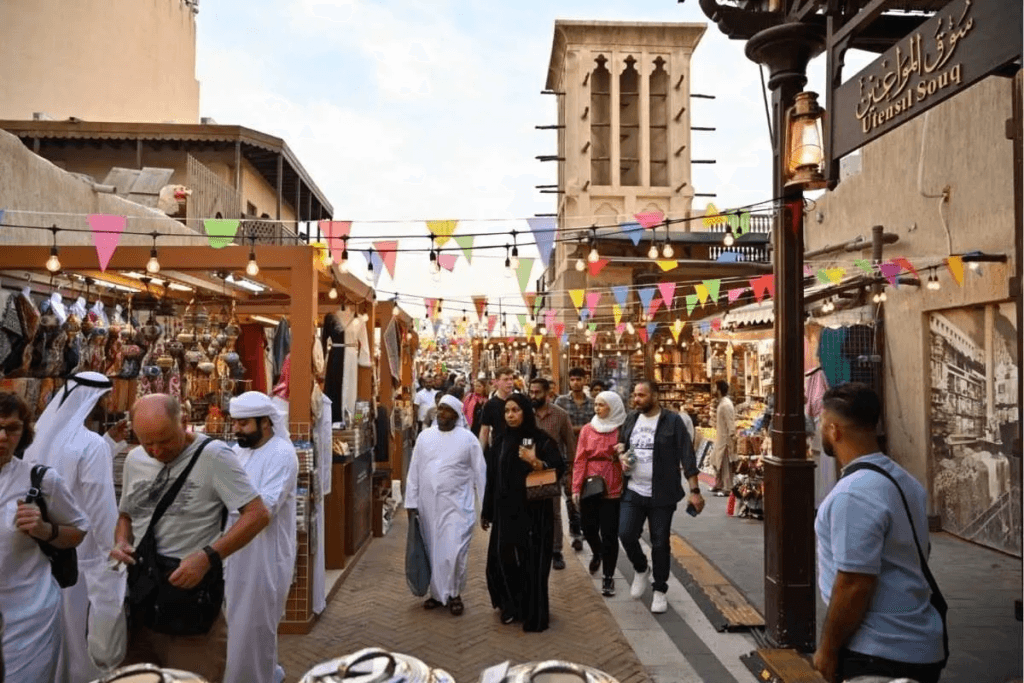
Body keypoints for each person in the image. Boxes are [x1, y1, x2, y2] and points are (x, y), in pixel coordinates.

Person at [111, 394, 271, 682]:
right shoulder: (135, 460)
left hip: (191, 605)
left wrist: (208, 556)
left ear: (184, 423)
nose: (157, 451)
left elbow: (257, 514)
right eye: (147, 442)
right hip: (143, 601)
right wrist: (122, 541)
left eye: (165, 440)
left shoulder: (214, 456)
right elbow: (127, 516)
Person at [812, 383, 945, 683]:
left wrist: (828, 649)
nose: (821, 430)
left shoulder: (853, 494)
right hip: (919, 642)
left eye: (821, 423)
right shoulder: (905, 482)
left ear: (834, 430)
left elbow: (854, 583)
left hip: (880, 653)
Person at [22, 371, 121, 683]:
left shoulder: (38, 436)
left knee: (51, 637)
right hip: (84, 559)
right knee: (82, 643)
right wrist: (114, 554)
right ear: (94, 401)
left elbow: (62, 473)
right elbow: (100, 507)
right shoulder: (90, 445)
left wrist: (110, 445)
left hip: (44, 552)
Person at [0, 392, 89, 683]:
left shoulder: (40, 480)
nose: (2, 437)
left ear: (23, 433)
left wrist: (45, 530)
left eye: (12, 428)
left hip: (27, 618)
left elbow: (77, 531)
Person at [224, 392, 299, 683]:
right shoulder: (238, 451)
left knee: (255, 626)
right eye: (236, 423)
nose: (237, 430)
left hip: (264, 556)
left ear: (265, 422)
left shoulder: (282, 454)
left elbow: (265, 507)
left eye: (244, 424)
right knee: (236, 625)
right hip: (235, 551)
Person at [616, 381, 703, 614]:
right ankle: (641, 567)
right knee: (625, 533)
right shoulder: (632, 419)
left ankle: (659, 590)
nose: (636, 399)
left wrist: (695, 491)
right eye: (634, 395)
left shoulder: (672, 421)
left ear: (655, 396)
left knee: (659, 542)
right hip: (633, 489)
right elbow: (621, 443)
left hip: (662, 493)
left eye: (642, 395)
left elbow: (687, 455)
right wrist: (621, 454)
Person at [481, 393, 565, 632]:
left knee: (532, 563)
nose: (510, 415)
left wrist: (536, 462)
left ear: (525, 412)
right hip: (506, 512)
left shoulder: (541, 440)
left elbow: (557, 469)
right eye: (507, 411)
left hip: (534, 513)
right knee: (503, 558)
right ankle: (511, 604)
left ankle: (531, 608)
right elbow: (492, 478)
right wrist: (488, 511)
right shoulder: (501, 441)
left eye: (515, 410)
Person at [404, 395, 486, 616]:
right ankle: (438, 595)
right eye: (439, 409)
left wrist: (486, 508)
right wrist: (411, 502)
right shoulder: (424, 437)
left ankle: (455, 592)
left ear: (457, 414)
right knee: (433, 549)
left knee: (455, 552)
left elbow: (480, 473)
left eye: (447, 410)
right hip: (429, 506)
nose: (441, 413)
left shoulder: (468, 440)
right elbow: (414, 471)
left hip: (458, 506)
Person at [571, 391, 626, 598]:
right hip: (591, 486)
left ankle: (608, 577)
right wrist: (576, 487)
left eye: (602, 405)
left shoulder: (621, 429)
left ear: (612, 407)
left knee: (610, 533)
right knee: (588, 527)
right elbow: (580, 459)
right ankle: (597, 551)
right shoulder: (587, 429)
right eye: (596, 404)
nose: (597, 408)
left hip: (613, 486)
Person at [529, 377, 578, 568]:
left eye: (537, 392)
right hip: (530, 468)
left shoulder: (560, 415)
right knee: (531, 509)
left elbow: (569, 443)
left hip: (551, 470)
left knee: (554, 511)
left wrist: (571, 469)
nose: (533, 396)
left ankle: (556, 551)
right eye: (531, 392)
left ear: (548, 394)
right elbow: (524, 438)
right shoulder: (527, 414)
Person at [478, 367, 514, 465]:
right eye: (506, 379)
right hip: (497, 451)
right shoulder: (490, 405)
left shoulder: (520, 401)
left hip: (517, 451)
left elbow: (529, 428)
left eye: (511, 379)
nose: (510, 382)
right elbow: (484, 431)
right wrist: (479, 454)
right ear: (497, 382)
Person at [709, 380, 737, 497]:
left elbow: (730, 423)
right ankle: (719, 484)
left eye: (715, 387)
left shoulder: (726, 404)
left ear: (719, 390)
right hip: (720, 438)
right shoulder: (721, 403)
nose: (713, 390)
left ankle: (727, 488)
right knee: (716, 462)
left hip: (725, 440)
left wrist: (732, 438)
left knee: (725, 464)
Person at [554, 368, 595, 438]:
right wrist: (585, 428)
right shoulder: (561, 401)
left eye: (578, 379)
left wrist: (571, 429)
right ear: (569, 381)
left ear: (585, 380)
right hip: (566, 444)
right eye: (572, 380)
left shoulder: (593, 403)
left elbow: (597, 426)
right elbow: (556, 426)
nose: (575, 382)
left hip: (588, 442)